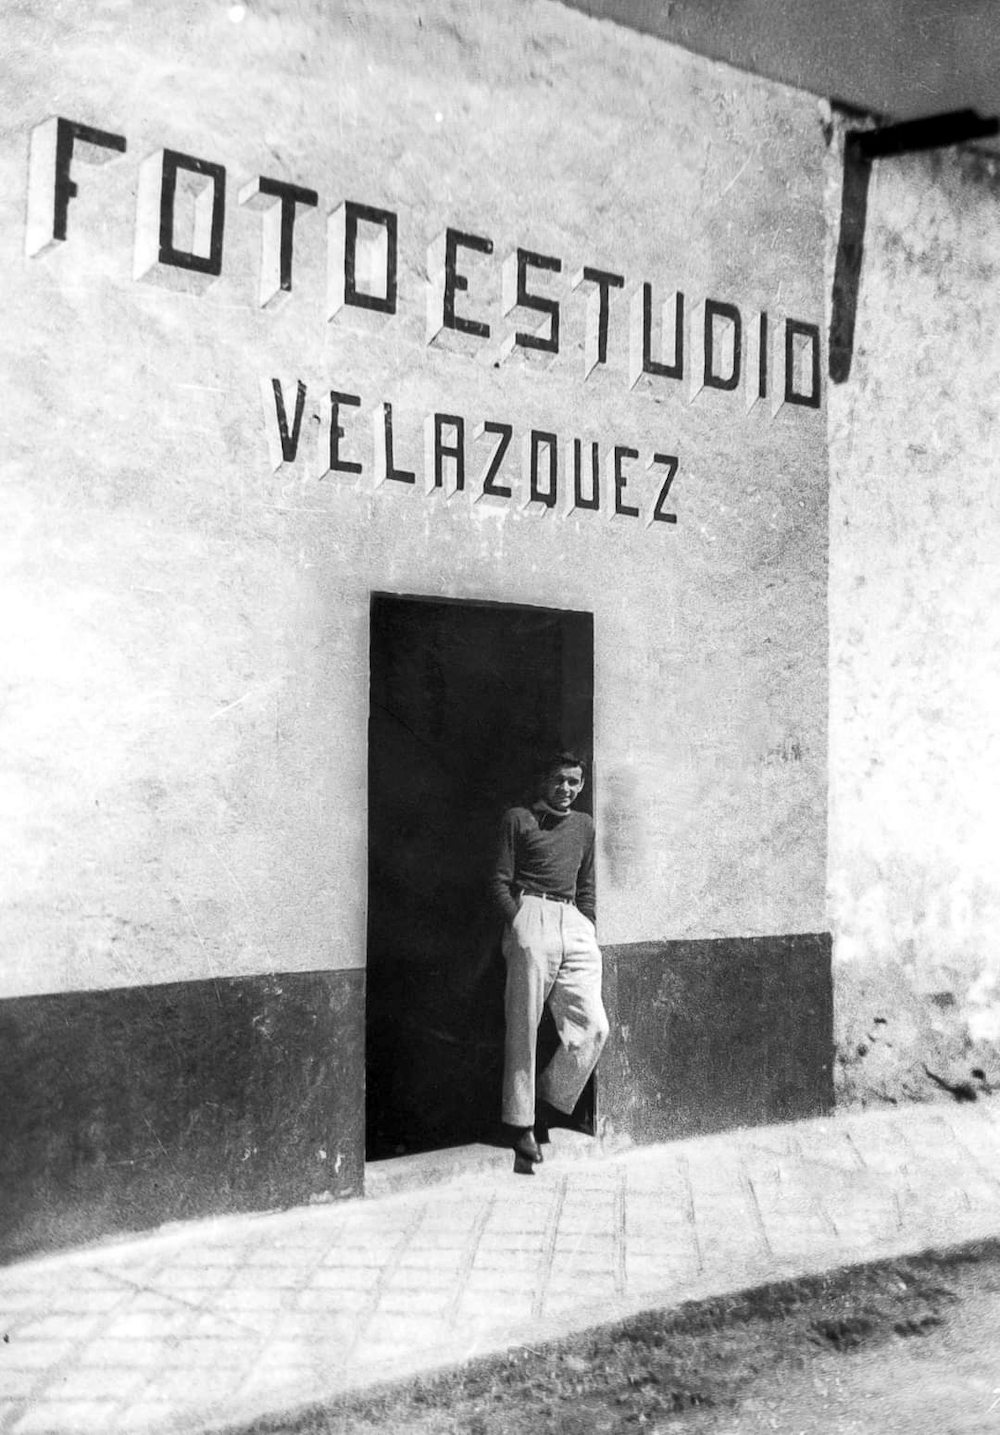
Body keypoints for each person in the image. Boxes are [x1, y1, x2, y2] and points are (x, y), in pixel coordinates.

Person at [489, 751, 609, 1164]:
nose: (566, 789)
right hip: (531, 915)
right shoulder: (518, 819)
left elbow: (587, 883)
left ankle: (545, 1100)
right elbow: (498, 880)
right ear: (544, 780)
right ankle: (520, 1123)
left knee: (593, 1026)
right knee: (523, 1024)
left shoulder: (584, 825)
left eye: (574, 782)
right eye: (559, 780)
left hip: (572, 920)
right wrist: (517, 921)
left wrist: (586, 923)